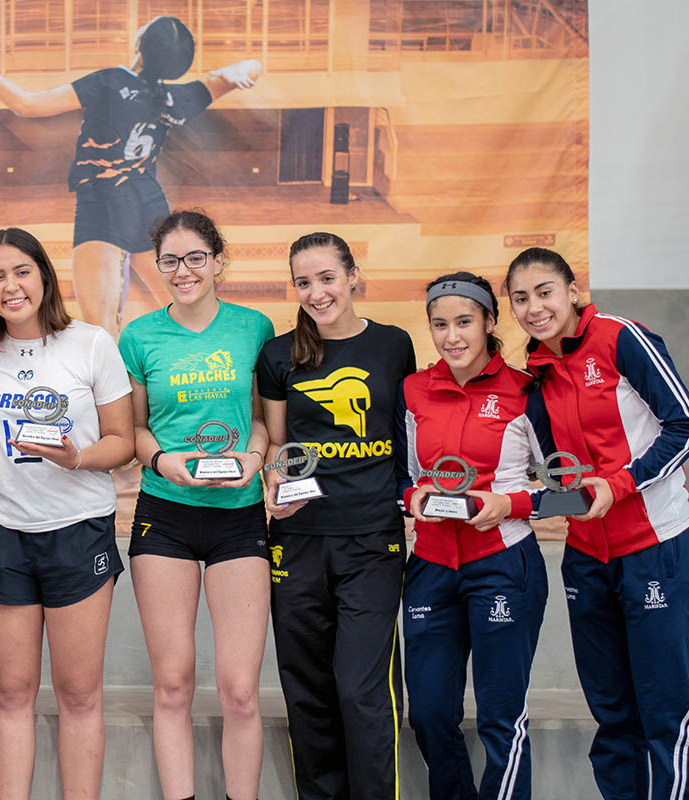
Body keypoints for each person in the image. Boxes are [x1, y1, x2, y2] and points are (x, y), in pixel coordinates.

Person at [0, 16, 260, 337]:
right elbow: (254, 66)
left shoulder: (111, 82)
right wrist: (228, 74)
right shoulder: (177, 97)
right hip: (150, 207)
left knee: (101, 330)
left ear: (138, 46)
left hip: (103, 205)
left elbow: (27, 105)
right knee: (185, 311)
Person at [505, 247, 689, 800]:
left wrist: (621, 484)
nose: (534, 307)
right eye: (520, 298)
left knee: (666, 710)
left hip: (654, 542)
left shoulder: (620, 338)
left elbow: (681, 425)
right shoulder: (534, 372)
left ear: (572, 290)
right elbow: (547, 469)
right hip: (588, 555)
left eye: (544, 292)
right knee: (611, 712)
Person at [0, 227, 134, 799]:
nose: (11, 286)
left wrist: (78, 457)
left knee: (79, 695)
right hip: (2, 534)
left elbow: (123, 441)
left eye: (22, 272)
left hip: (78, 533)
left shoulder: (90, 344)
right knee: (11, 693)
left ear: (44, 276)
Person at [118, 209, 273, 800]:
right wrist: (162, 462)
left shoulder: (254, 329)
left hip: (238, 514)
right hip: (166, 516)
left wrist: (254, 461)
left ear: (217, 262)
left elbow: (263, 420)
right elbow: (135, 430)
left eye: (194, 258)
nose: (182, 271)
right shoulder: (139, 336)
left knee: (238, 690)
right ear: (158, 266)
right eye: (170, 261)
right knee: (173, 685)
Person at [255, 231, 415, 800]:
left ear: (352, 275)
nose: (317, 292)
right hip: (296, 541)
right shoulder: (278, 354)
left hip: (372, 539)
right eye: (304, 282)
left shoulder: (394, 346)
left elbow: (401, 437)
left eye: (327, 278)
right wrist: (274, 479)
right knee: (308, 689)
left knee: (360, 690)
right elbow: (276, 444)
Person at [394, 271, 551, 799]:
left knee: (502, 718)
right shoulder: (414, 389)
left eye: (464, 322)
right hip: (432, 568)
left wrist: (512, 503)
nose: (452, 336)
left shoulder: (527, 392)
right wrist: (412, 498)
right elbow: (399, 476)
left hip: (504, 564)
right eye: (440, 325)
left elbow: (574, 490)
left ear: (489, 321)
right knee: (431, 713)